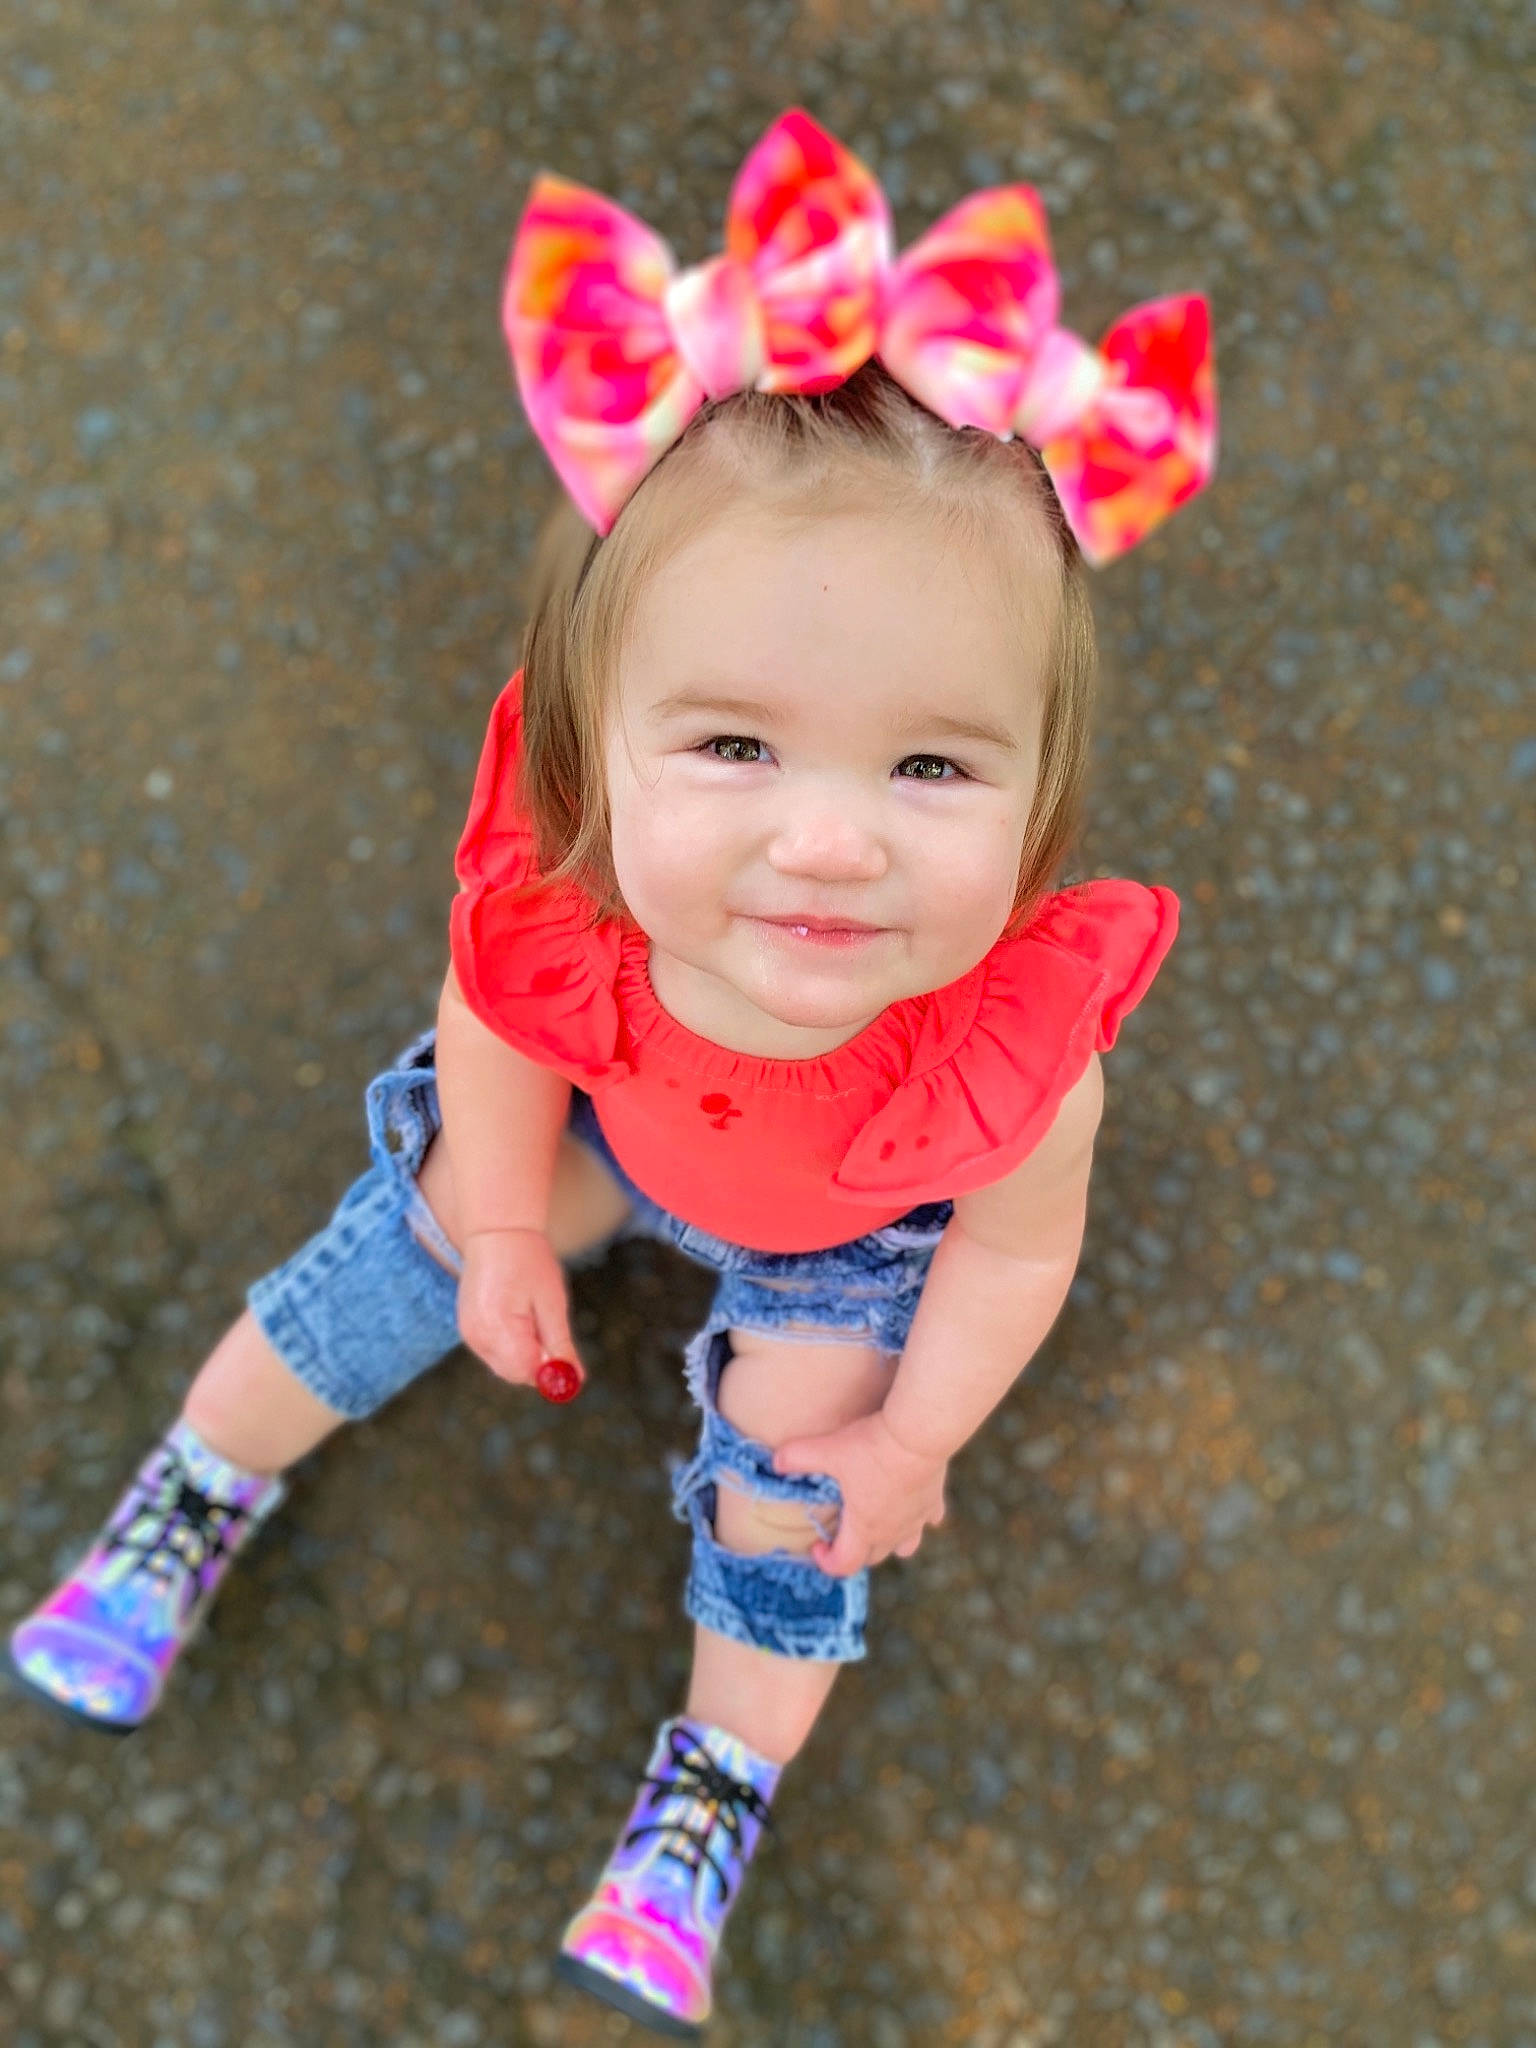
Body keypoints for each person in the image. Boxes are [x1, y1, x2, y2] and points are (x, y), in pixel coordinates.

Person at [9, 110, 1215, 2040]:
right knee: (403, 1243)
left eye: (931, 767)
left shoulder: (1010, 1045)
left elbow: (1009, 1251)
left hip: (845, 1236)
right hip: (601, 1134)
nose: (831, 841)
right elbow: (497, 1031)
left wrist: (914, 1443)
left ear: (1041, 793)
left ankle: (716, 1781)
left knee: (803, 1478)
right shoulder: (577, 910)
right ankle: (198, 1481)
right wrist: (500, 1222)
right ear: (592, 743)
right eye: (734, 746)